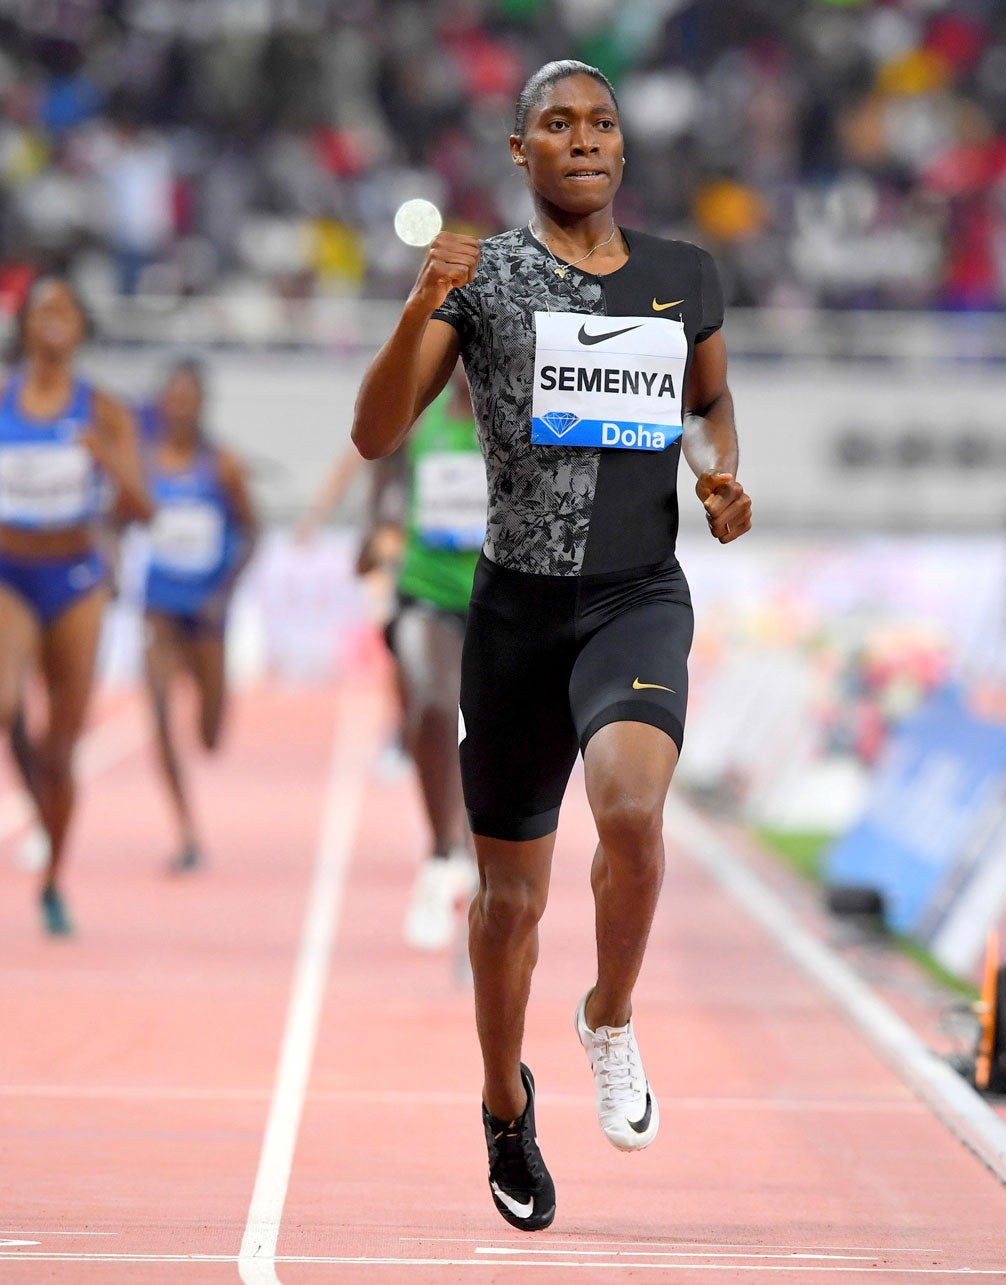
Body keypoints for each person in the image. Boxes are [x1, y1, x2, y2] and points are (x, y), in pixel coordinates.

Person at [350, 60, 753, 1231]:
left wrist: (721, 474)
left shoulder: (684, 277)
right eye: (558, 125)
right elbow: (376, 435)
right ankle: (500, 1102)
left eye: (604, 123)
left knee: (632, 812)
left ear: (624, 148)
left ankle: (611, 1016)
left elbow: (708, 405)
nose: (586, 140)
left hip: (635, 597)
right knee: (508, 902)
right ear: (519, 150)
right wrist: (420, 298)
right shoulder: (480, 279)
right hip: (515, 617)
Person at [0, 276, 153, 936]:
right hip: (7, 570)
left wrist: (107, 461)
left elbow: (142, 508)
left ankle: (53, 879)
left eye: (67, 308)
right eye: (43, 308)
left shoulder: (105, 411)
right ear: (24, 325)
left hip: (76, 578)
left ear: (82, 326)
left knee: (62, 750)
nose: (56, 318)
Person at [364, 369, 482, 950]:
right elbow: (384, 487)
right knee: (432, 707)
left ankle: (477, 858)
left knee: (493, 749)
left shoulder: (522, 418)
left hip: (499, 600)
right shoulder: (418, 421)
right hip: (426, 592)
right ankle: (440, 856)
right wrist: (378, 532)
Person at [140, 359, 258, 873]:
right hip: (160, 607)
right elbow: (113, 517)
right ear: (162, 406)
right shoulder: (143, 463)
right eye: (173, 398)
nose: (180, 408)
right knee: (161, 714)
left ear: (201, 405)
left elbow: (253, 534)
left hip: (207, 613)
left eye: (189, 398)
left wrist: (223, 593)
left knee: (210, 737)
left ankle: (205, 695)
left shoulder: (222, 465)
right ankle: (186, 831)